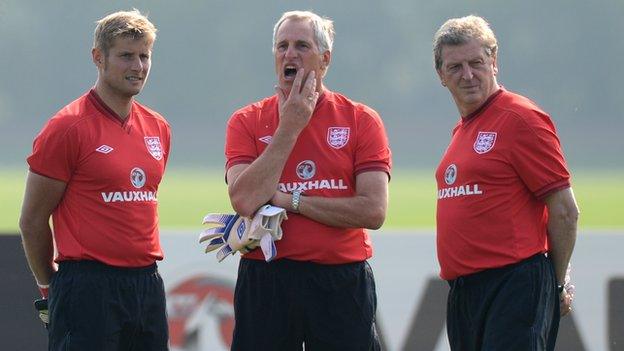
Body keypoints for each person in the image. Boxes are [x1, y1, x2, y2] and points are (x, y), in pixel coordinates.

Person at [223, 10, 391, 351]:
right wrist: (290, 127)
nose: (290, 54)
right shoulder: (246, 120)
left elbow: (373, 211)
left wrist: (291, 201)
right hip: (267, 280)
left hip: (340, 279)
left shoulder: (361, 119)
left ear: (325, 59)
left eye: (302, 45)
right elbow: (243, 200)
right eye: (282, 46)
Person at [19, 9, 170, 350]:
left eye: (144, 56)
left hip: (147, 284)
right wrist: (49, 289)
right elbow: (31, 220)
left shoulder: (158, 127)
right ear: (98, 57)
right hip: (87, 286)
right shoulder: (67, 127)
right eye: (126, 56)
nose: (138, 67)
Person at [433, 15, 579, 350]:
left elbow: (566, 211)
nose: (467, 75)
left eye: (476, 63)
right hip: (466, 292)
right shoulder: (464, 129)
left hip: (513, 283)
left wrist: (554, 286)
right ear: (441, 75)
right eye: (455, 67)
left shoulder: (520, 118)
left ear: (494, 62)